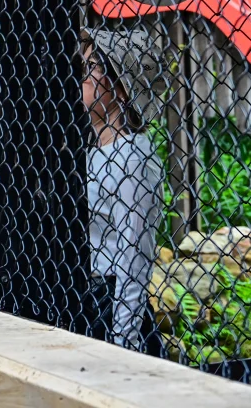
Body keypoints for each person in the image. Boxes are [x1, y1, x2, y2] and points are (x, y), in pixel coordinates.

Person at [81, 27, 165, 349]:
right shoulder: (92, 152)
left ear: (121, 89)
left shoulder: (133, 156)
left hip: (115, 311)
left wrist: (123, 344)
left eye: (94, 67)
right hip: (89, 302)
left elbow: (134, 258)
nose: (84, 76)